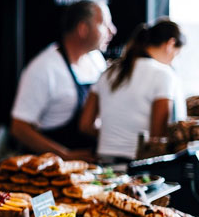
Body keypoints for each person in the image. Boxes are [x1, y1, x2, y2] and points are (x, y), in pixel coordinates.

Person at [10, 0, 117, 161]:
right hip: (51, 170)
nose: (112, 30)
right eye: (104, 24)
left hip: (90, 166)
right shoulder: (44, 68)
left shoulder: (96, 59)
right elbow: (19, 128)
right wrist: (65, 155)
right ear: (83, 29)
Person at [79, 19, 186, 162]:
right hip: (138, 166)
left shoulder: (108, 72)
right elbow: (158, 138)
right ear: (170, 44)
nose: (174, 60)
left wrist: (113, 137)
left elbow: (85, 125)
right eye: (177, 54)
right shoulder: (164, 74)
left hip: (104, 162)